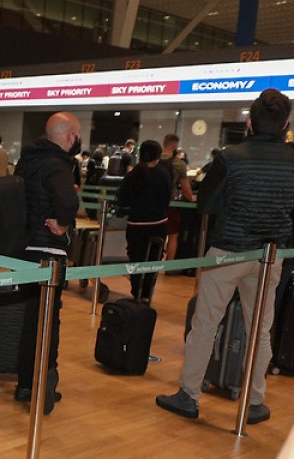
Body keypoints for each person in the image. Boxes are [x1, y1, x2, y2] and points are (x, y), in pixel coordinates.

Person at [157, 88, 294, 426]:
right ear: (285, 124)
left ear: (249, 121)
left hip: (227, 252)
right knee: (260, 328)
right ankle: (254, 400)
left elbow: (206, 205)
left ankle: (189, 395)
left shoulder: (230, 157)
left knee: (205, 324)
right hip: (270, 254)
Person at [13, 112, 82, 415]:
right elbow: (68, 203)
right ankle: (42, 385)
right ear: (69, 136)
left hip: (25, 249)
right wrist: (65, 224)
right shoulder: (58, 165)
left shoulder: (28, 160)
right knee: (48, 322)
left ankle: (26, 383)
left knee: (31, 319)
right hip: (49, 252)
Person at [115, 140, 171, 303]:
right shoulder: (164, 175)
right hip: (158, 224)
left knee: (136, 259)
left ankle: (136, 292)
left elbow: (123, 200)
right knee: (153, 260)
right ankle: (147, 293)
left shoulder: (133, 175)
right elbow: (166, 200)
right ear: (158, 155)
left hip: (136, 225)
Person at [160, 133, 196, 260]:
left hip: (151, 204)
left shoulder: (153, 160)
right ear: (175, 145)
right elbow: (186, 189)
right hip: (169, 204)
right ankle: (169, 265)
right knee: (173, 234)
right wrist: (192, 199)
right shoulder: (178, 164)